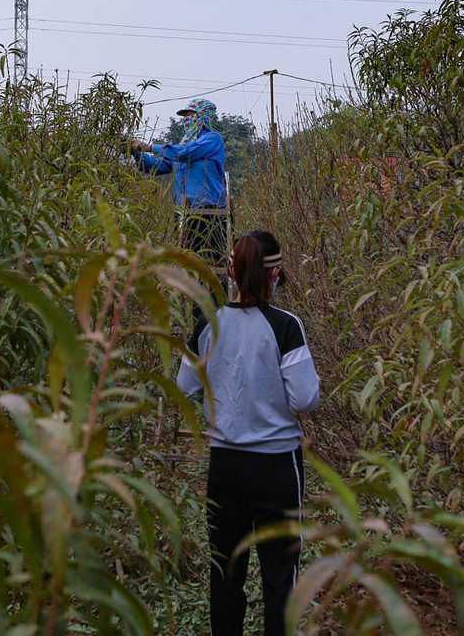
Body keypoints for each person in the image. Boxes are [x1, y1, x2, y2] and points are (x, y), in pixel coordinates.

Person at [177, 231, 320, 636]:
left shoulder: (208, 322)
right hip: (276, 466)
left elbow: (184, 383)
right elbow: (306, 397)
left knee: (224, 571)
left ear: (232, 273)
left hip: (225, 465)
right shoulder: (286, 327)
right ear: (274, 275)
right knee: (280, 574)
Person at [129, 97, 228, 268]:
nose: (187, 120)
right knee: (188, 262)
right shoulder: (183, 146)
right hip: (184, 212)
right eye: (185, 116)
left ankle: (214, 295)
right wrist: (135, 152)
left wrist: (150, 147)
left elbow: (186, 153)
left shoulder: (211, 140)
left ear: (203, 116)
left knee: (211, 263)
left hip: (209, 211)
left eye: (191, 115)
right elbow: (155, 165)